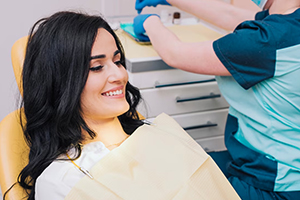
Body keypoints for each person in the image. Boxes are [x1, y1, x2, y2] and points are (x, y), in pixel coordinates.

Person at [4, 11, 240, 200]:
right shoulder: (62, 181)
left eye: (117, 61)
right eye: (97, 67)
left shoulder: (157, 130)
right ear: (61, 83)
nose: (119, 74)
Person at [133, 0, 300, 199]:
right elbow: (232, 15)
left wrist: (150, 23)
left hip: (273, 184)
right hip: (273, 164)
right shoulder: (288, 27)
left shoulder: (267, 40)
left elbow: (175, 53)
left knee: (161, 180)